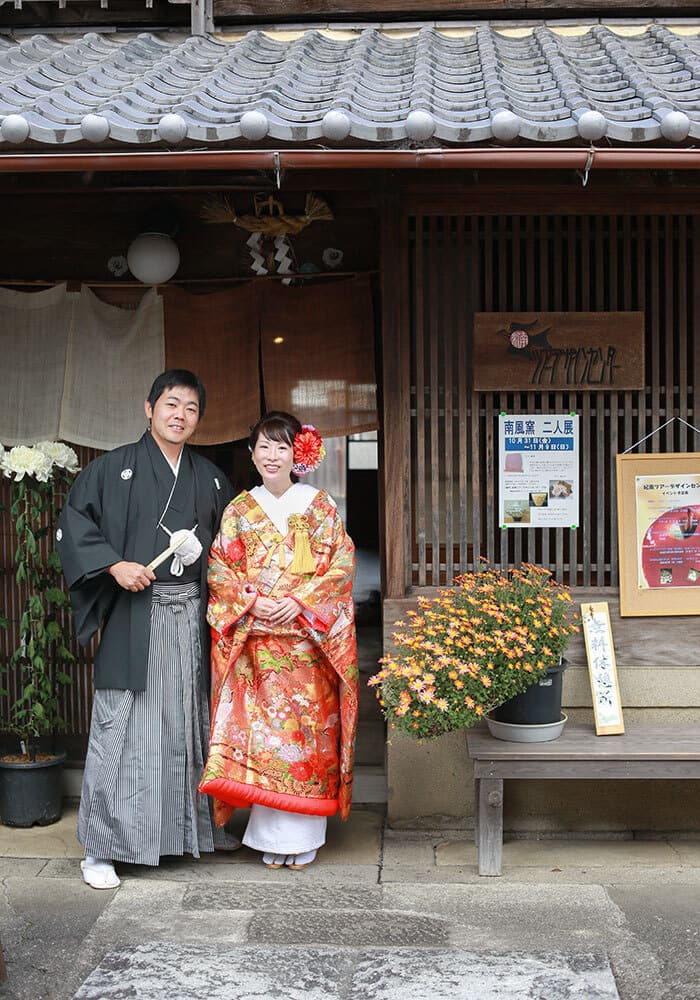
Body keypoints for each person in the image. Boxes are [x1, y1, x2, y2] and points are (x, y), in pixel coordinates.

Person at [57, 370, 235, 889]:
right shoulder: (113, 469)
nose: (180, 415)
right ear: (149, 407)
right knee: (124, 728)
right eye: (171, 404)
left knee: (184, 724)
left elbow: (234, 548)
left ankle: (179, 834)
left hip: (192, 618)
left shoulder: (212, 477)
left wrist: (212, 562)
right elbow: (75, 526)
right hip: (137, 616)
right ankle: (102, 850)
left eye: (192, 409)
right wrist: (115, 565)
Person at [199, 412, 358, 869]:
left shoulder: (319, 505)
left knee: (305, 738)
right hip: (257, 647)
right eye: (264, 447)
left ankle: (303, 835)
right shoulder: (238, 510)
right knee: (264, 741)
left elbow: (342, 565)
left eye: (282, 447)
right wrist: (250, 600)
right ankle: (270, 834)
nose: (272, 456)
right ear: (251, 454)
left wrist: (303, 600)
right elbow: (219, 569)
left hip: (308, 646)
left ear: (299, 455)